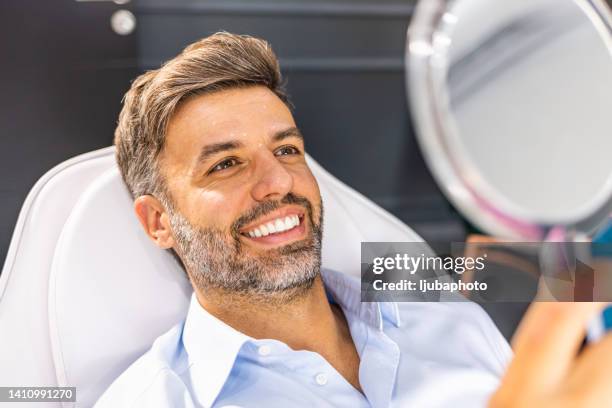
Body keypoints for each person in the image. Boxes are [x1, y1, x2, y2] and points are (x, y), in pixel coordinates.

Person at [95, 32, 612, 407]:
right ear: (158, 220)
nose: (277, 182)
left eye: (288, 149)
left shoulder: (447, 320)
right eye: (226, 163)